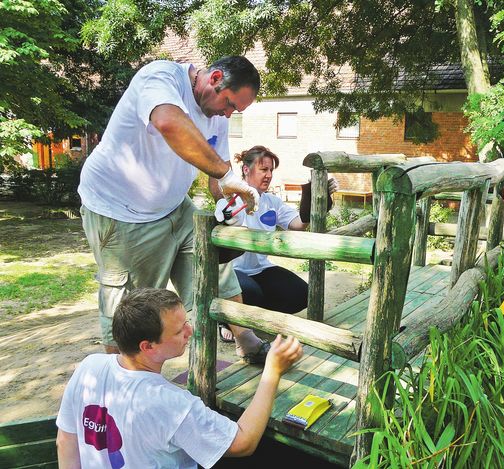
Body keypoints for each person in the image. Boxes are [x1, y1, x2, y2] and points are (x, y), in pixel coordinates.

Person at [77, 56, 270, 363]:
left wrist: (228, 201)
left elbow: (218, 176)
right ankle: (119, 377)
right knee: (131, 305)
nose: (229, 113)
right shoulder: (161, 77)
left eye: (237, 110)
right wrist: (227, 177)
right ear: (215, 77)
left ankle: (244, 337)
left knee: (215, 262)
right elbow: (168, 121)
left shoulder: (217, 115)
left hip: (175, 206)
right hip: (120, 210)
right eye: (230, 103)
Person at [56, 288, 303, 468]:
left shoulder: (89, 367)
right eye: (178, 330)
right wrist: (272, 371)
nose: (190, 331)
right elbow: (243, 443)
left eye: (186, 321)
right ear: (148, 347)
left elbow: (66, 440)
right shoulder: (170, 403)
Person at [216, 146, 337, 339]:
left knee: (302, 294)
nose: (269, 175)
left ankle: (252, 317)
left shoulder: (272, 202)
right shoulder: (232, 200)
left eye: (271, 170)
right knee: (252, 294)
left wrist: (316, 194)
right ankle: (225, 321)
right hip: (234, 271)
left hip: (261, 269)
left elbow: (298, 224)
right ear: (246, 170)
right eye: (263, 169)